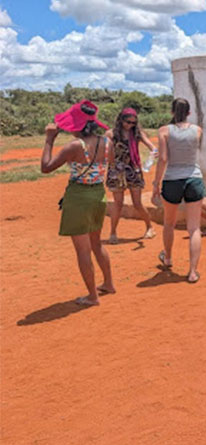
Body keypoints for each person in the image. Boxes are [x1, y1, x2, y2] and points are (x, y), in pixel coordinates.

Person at [41, 100, 115, 306]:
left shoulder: (75, 146)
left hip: (79, 198)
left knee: (83, 250)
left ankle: (92, 296)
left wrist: (49, 140)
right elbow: (111, 163)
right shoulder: (107, 143)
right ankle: (108, 283)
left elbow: (45, 167)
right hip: (99, 195)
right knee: (96, 243)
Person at [152, 98, 204, 283]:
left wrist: (156, 183)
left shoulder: (164, 131)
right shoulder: (197, 130)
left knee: (169, 223)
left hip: (172, 179)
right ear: (189, 112)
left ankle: (168, 258)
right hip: (194, 177)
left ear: (172, 111)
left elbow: (163, 158)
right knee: (194, 228)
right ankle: (192, 271)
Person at [105, 107, 157, 244]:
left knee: (137, 203)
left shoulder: (137, 133)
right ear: (121, 120)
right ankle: (113, 233)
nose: (130, 125)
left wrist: (154, 152)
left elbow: (152, 146)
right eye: (128, 122)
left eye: (133, 123)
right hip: (116, 171)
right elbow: (105, 152)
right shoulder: (111, 134)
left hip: (133, 171)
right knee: (118, 204)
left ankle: (149, 227)